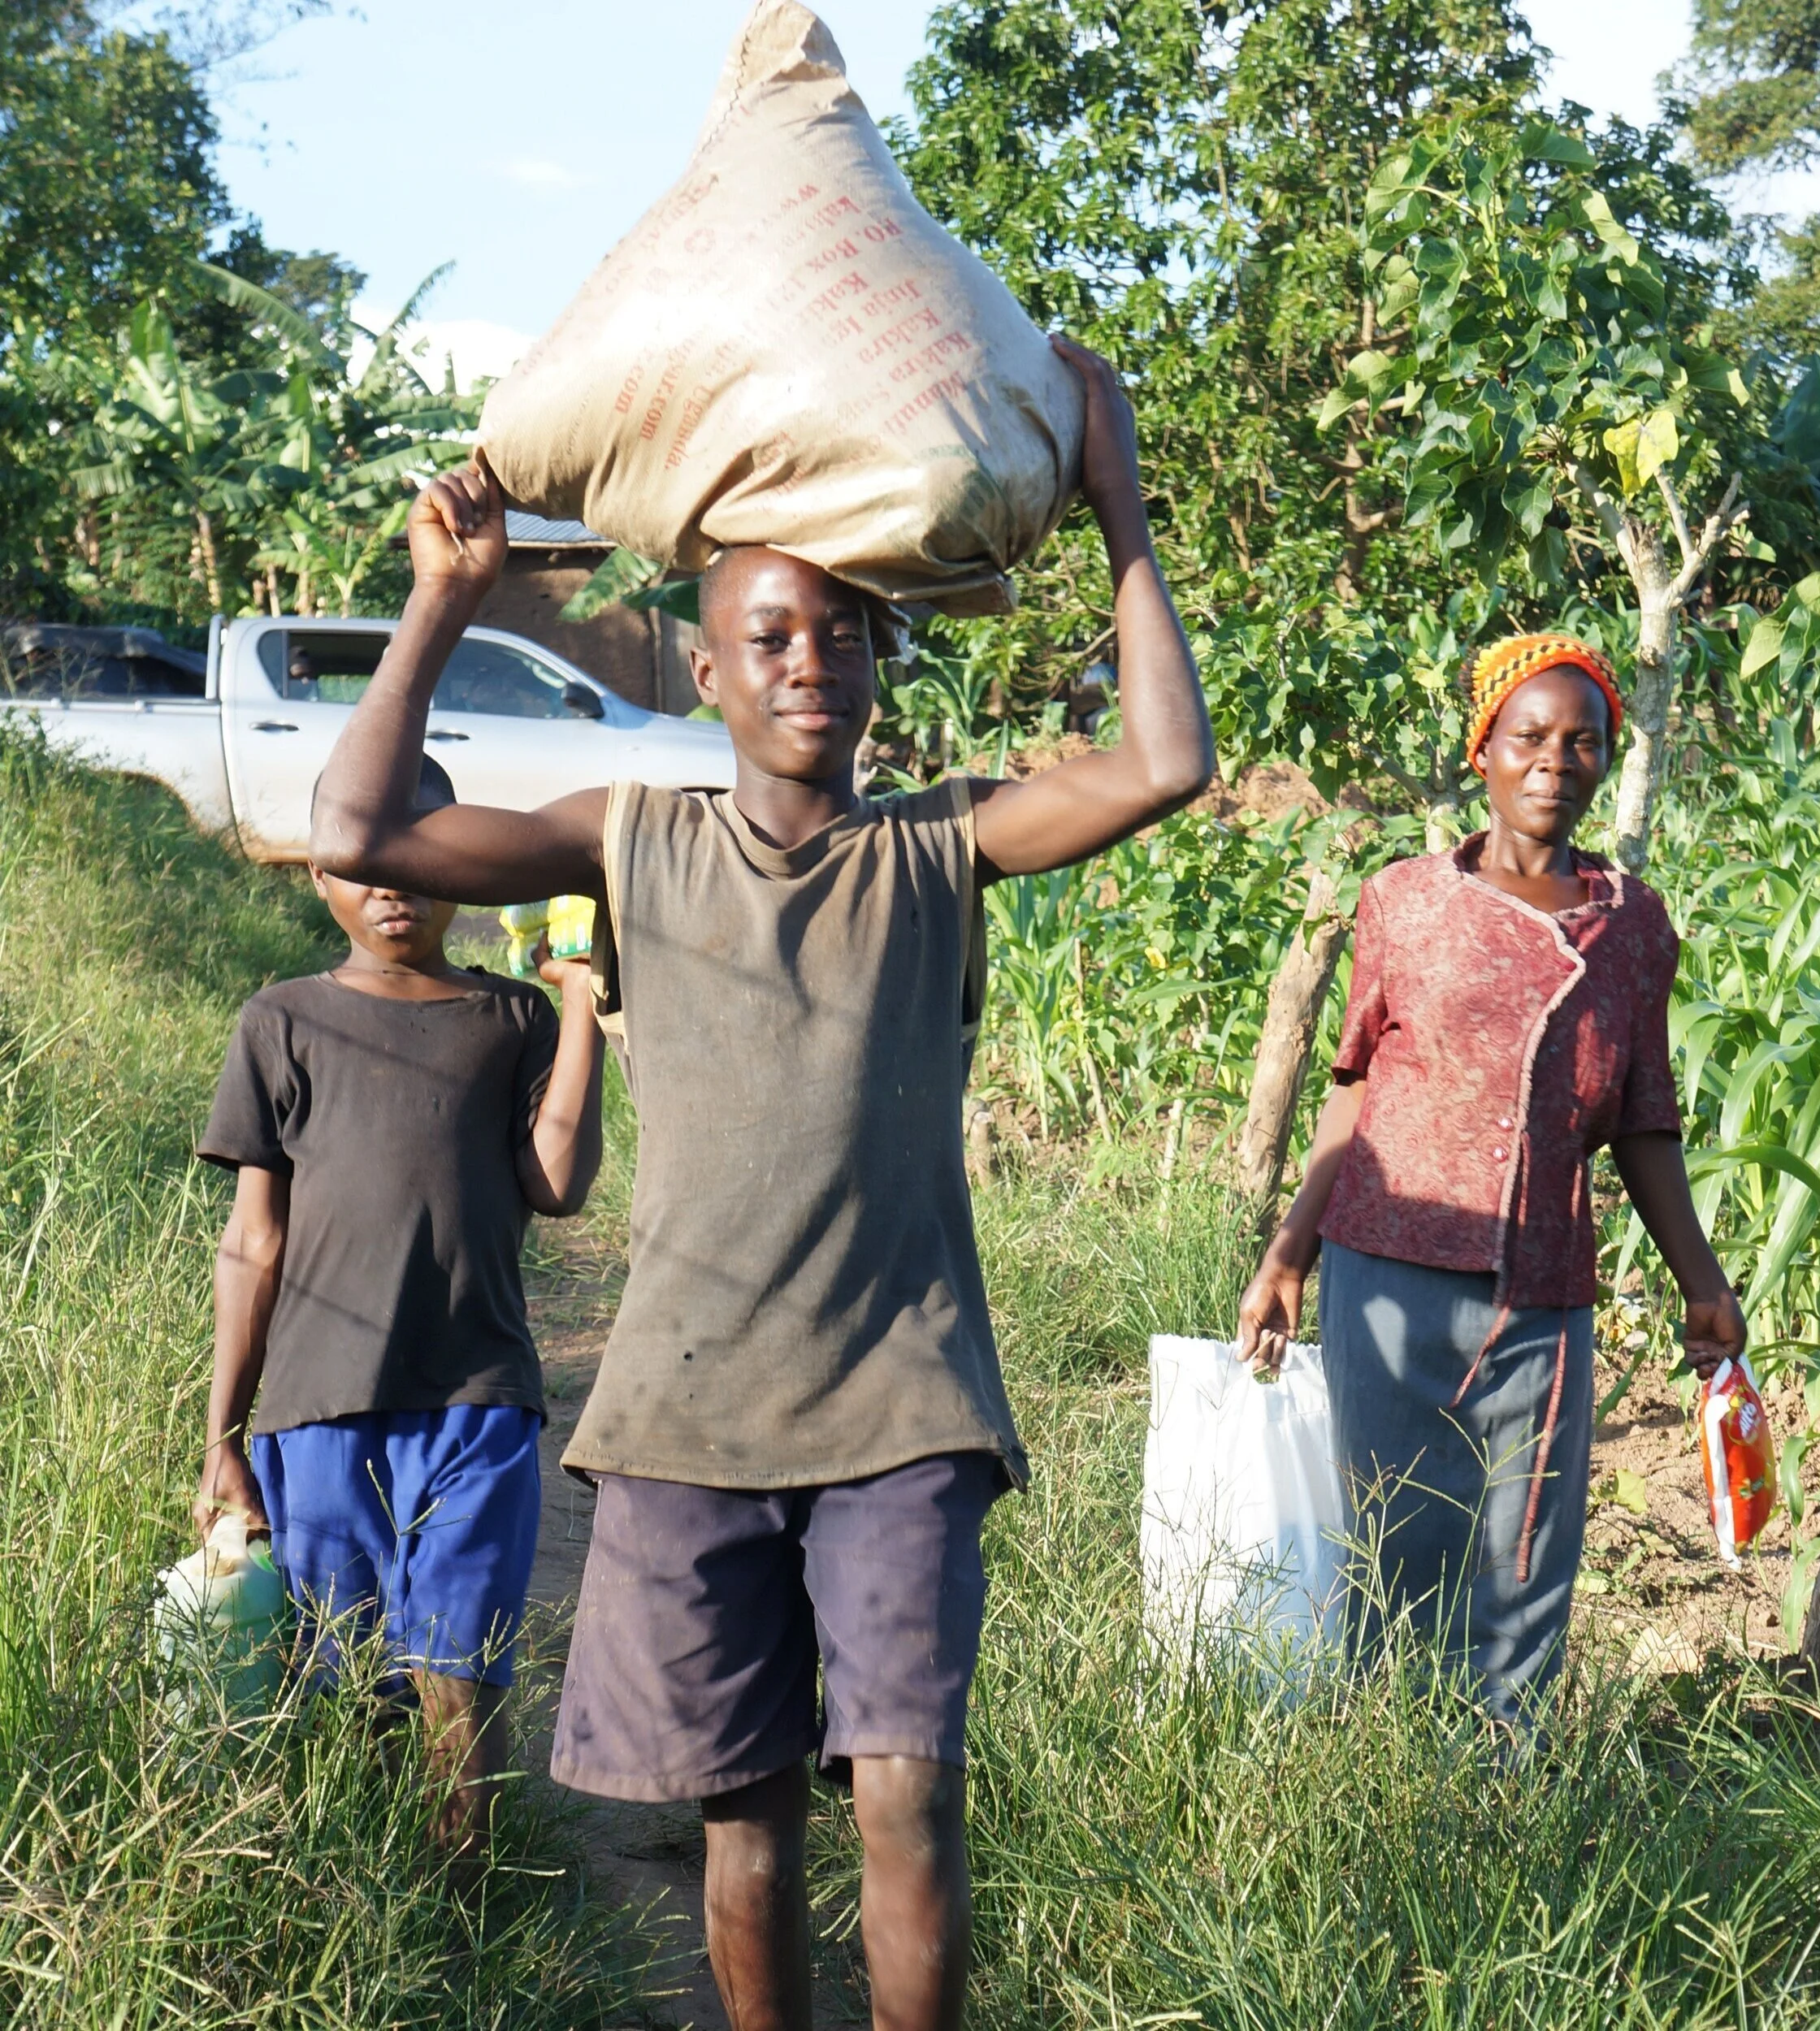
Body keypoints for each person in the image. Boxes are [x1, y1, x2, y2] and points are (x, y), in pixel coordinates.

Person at [308, 336, 1213, 2030]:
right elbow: (359, 831)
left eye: (839, 632)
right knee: (743, 1825)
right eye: (767, 637)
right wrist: (443, 598)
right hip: (684, 1411)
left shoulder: (940, 843)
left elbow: (1164, 766)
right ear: (705, 673)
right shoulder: (633, 834)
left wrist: (1119, 509)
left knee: (908, 1792)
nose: (810, 662)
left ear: (880, 662)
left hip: (900, 1404)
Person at [1236, 633, 1746, 1728]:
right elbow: (1355, 1090)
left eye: (1583, 741)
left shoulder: (1634, 928)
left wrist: (1703, 1281)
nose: (1555, 759)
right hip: (1390, 1272)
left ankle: (1500, 1805)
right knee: (1395, 1545)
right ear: (1485, 751)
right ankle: (1380, 1785)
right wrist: (1291, 1252)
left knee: (1524, 1569)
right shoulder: (1407, 902)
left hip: (1544, 1288)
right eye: (1530, 736)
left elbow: (1645, 1121)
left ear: (1608, 760)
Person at [194, 755, 607, 1853]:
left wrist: (580, 1016)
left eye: (416, 853)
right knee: (344, 1677)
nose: (390, 884)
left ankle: (461, 1902)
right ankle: (373, 1903)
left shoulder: (510, 1015)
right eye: (361, 860)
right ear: (320, 870)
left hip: (478, 1396)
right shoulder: (281, 1023)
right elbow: (253, 1241)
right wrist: (223, 1438)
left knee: (455, 1667)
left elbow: (557, 1186)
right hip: (317, 1410)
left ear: (459, 862)